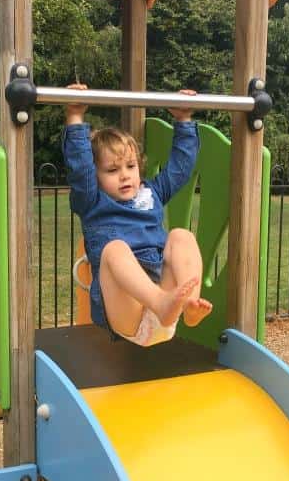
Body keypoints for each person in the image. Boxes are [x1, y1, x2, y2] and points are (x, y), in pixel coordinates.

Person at [62, 83, 212, 347]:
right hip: (126, 314)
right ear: (95, 177)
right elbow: (80, 168)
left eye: (130, 166)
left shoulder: (151, 192)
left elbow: (180, 168)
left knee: (181, 236)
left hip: (165, 312)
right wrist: (75, 117)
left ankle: (190, 305)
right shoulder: (92, 201)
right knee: (114, 250)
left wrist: (184, 120)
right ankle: (161, 301)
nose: (124, 175)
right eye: (111, 170)